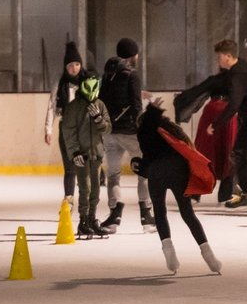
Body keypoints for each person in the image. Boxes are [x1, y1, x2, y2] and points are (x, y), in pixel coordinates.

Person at [134, 101, 222, 275]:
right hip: (177, 170)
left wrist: (138, 164)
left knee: (160, 213)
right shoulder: (169, 127)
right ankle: (209, 255)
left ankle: (170, 256)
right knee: (187, 213)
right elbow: (187, 146)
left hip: (156, 173)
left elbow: (147, 160)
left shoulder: (142, 133)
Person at [99, 37, 155, 233]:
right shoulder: (132, 75)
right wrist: (142, 130)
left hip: (110, 133)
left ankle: (115, 215)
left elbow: (102, 101)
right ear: (133, 55)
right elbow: (136, 107)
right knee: (144, 172)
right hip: (130, 133)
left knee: (113, 175)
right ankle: (146, 215)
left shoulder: (107, 75)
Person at [173, 64, 237, 204]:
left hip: (211, 112)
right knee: (228, 152)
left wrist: (180, 102)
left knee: (204, 151)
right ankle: (225, 195)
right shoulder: (237, 79)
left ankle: (196, 193)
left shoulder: (214, 79)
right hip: (229, 114)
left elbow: (196, 91)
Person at [61, 71, 112, 238]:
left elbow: (108, 128)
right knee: (85, 188)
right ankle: (83, 221)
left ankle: (92, 218)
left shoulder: (101, 105)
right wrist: (74, 151)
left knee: (96, 189)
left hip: (96, 154)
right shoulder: (73, 107)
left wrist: (98, 119)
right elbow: (68, 132)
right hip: (81, 155)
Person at [210, 39, 247, 210]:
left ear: (228, 56)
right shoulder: (241, 68)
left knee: (241, 154)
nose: (218, 60)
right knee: (239, 154)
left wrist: (216, 124)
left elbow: (234, 104)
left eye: (219, 57)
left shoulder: (238, 74)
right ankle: (244, 193)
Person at [44, 41, 86, 207]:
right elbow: (52, 106)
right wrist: (48, 128)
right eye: (70, 65)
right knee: (69, 167)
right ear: (65, 67)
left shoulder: (88, 81)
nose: (74, 68)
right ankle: (68, 200)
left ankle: (86, 203)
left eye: (77, 64)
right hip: (66, 128)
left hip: (83, 128)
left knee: (84, 168)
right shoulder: (60, 82)